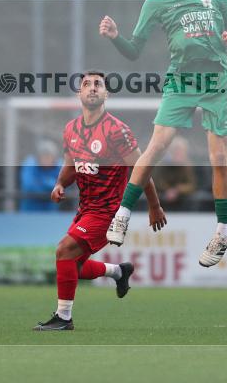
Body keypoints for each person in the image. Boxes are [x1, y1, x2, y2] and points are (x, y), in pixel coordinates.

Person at [99, 0, 227, 267]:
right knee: (158, 145)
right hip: (181, 80)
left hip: (217, 80)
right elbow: (134, 50)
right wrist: (115, 37)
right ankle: (122, 214)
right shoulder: (157, 0)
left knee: (219, 156)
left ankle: (222, 231)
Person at [33, 70, 166, 331]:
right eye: (86, 84)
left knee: (64, 251)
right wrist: (60, 183)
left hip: (108, 211)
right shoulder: (71, 129)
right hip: (85, 209)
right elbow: (70, 165)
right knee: (72, 266)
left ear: (106, 94)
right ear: (79, 93)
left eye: (98, 84)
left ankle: (64, 318)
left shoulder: (117, 130)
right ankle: (118, 271)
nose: (92, 88)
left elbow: (141, 170)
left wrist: (154, 205)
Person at [151, 136, 198, 211]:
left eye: (181, 152)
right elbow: (157, 182)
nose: (179, 154)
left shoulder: (187, 166)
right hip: (162, 199)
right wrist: (168, 190)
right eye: (176, 151)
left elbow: (191, 185)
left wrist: (177, 190)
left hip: (183, 201)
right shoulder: (162, 165)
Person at [19, 140, 63, 211]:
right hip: (29, 211)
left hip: (51, 211)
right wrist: (50, 185)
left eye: (49, 156)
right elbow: (28, 186)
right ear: (38, 157)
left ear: (54, 158)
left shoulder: (59, 166)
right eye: (43, 156)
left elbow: (63, 188)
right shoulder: (30, 164)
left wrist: (41, 182)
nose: (46, 159)